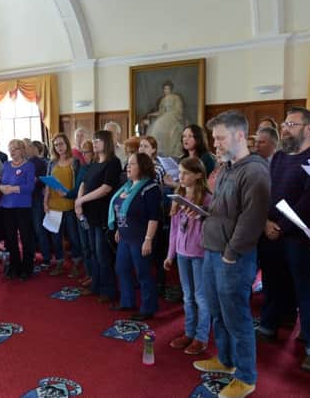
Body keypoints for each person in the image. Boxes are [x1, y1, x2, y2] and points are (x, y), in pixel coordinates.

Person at [193, 110, 270, 398]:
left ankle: (247, 377)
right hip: (213, 250)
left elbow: (252, 219)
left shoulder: (255, 170)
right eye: (214, 137)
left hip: (233, 257)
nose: (215, 143)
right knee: (216, 311)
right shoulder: (226, 167)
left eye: (220, 137)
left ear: (239, 136)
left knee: (237, 317)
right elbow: (222, 209)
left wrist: (231, 253)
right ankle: (225, 361)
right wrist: (203, 214)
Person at [257, 107, 310, 372]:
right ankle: (267, 327)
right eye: (285, 123)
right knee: (272, 283)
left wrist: (281, 226)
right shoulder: (278, 157)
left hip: (299, 236)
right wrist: (266, 221)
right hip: (271, 231)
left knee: (305, 289)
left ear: (309, 128)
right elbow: (267, 190)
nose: (285, 128)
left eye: (292, 124)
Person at [164, 157, 212, 355]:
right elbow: (174, 230)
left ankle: (201, 337)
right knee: (187, 296)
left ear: (198, 175)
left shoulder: (208, 199)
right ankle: (188, 332)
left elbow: (212, 228)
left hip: (200, 253)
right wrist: (170, 255)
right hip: (183, 253)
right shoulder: (178, 195)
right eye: (180, 173)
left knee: (201, 297)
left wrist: (201, 216)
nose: (180, 177)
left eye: (185, 173)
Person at [109, 153, 161, 320]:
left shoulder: (150, 188)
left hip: (140, 237)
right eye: (128, 164)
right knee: (122, 269)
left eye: (132, 164)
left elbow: (154, 217)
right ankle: (127, 301)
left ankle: (148, 308)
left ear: (143, 166)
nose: (127, 167)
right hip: (125, 236)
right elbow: (121, 210)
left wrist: (148, 239)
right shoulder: (127, 186)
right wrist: (118, 228)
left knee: (143, 273)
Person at [75, 130, 121, 304]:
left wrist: (81, 199)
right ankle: (96, 285)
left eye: (98, 140)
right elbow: (84, 182)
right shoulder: (94, 162)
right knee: (93, 251)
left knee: (103, 254)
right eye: (93, 140)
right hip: (89, 213)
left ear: (107, 142)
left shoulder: (113, 162)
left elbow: (106, 188)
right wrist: (79, 202)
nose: (94, 143)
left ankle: (109, 290)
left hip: (103, 214)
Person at [43, 133, 82, 277]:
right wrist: (45, 202)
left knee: (73, 236)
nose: (59, 147)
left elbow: (79, 184)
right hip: (53, 205)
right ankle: (59, 263)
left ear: (67, 144)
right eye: (56, 145)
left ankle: (77, 264)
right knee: (56, 237)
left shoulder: (75, 162)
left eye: (61, 144)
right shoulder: (51, 163)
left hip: (70, 204)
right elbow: (48, 183)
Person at [0, 139, 36, 280]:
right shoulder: (6, 165)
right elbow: (2, 183)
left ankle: (27, 267)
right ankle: (14, 266)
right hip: (6, 206)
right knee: (10, 239)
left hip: (22, 207)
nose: (13, 151)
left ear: (22, 150)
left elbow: (30, 187)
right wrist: (2, 188)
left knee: (26, 238)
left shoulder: (29, 166)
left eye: (16, 148)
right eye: (11, 149)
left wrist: (13, 189)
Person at [73, 139, 94, 287]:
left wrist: (79, 200)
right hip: (79, 210)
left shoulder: (95, 168)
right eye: (82, 152)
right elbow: (78, 187)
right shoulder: (82, 167)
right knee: (84, 246)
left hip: (90, 210)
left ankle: (94, 276)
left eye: (86, 152)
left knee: (92, 247)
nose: (83, 155)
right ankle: (88, 273)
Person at [26, 140, 51, 268]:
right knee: (30, 230)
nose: (27, 149)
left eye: (30, 147)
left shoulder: (40, 162)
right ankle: (31, 255)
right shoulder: (26, 162)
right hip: (26, 200)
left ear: (36, 149)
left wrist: (32, 180)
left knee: (39, 228)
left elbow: (42, 181)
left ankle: (46, 257)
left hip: (36, 199)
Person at [146, 81, 185, 158]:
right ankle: (159, 153)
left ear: (171, 89)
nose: (166, 90)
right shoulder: (163, 100)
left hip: (173, 117)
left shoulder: (176, 98)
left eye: (168, 89)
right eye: (165, 89)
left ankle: (170, 153)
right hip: (164, 117)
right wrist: (152, 114)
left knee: (170, 130)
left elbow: (179, 110)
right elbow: (161, 112)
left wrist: (172, 114)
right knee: (157, 128)